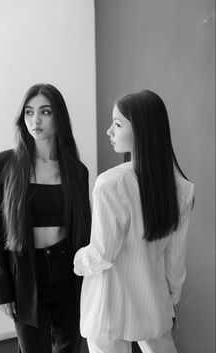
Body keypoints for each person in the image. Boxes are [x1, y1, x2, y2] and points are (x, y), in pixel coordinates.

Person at [74, 90, 194, 353]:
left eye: (117, 124)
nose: (109, 131)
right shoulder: (183, 189)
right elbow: (175, 263)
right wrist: (171, 300)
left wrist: (77, 261)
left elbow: (103, 253)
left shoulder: (110, 183)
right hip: (154, 305)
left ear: (142, 130)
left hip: (108, 307)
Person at [0, 83, 91, 353]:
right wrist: (3, 291)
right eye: (29, 113)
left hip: (68, 272)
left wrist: (90, 285)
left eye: (45, 112)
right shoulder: (2, 166)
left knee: (69, 348)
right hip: (26, 275)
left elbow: (84, 233)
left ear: (59, 118)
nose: (36, 120)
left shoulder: (76, 171)